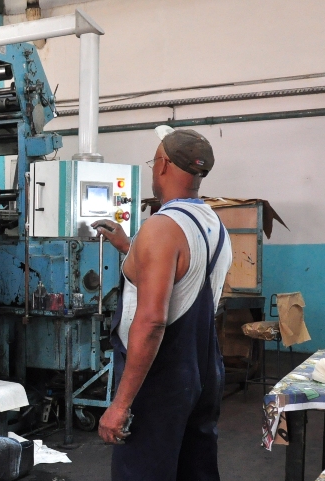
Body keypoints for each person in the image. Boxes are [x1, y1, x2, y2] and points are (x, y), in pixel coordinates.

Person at [93, 126, 232, 480]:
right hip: (204, 370)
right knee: (194, 470)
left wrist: (121, 404)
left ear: (163, 165)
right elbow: (184, 274)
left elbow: (153, 321)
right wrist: (130, 247)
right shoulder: (214, 223)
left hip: (160, 378)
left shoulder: (161, 228)